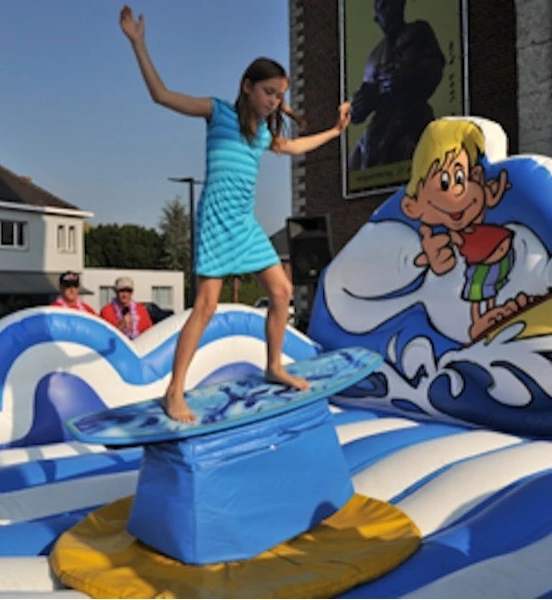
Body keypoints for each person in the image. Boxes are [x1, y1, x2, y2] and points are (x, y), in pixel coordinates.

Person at [119, 5, 351, 422]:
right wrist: (138, 44)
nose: (274, 102)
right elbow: (162, 95)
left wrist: (335, 132)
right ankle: (174, 391)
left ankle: (274, 365)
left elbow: (295, 147)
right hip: (215, 220)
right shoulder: (218, 112)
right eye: (268, 92)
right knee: (205, 307)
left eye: (279, 96)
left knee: (281, 291)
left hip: (244, 223)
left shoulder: (264, 135)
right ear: (247, 87)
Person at [400, 119, 531, 341]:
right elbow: (431, 259)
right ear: (412, 206)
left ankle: (491, 312)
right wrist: (429, 257)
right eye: (445, 182)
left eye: (461, 177)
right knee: (476, 291)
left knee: (490, 288)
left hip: (499, 258)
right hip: (479, 262)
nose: (460, 192)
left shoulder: (486, 202)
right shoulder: (446, 234)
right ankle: (479, 320)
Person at [347, 0, 445, 171]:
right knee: (357, 164)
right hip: (380, 129)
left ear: (401, 5)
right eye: (382, 8)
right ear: (377, 19)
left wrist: (408, 78)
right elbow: (363, 101)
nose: (388, 11)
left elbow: (434, 68)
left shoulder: (419, 32)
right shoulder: (375, 56)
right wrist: (359, 105)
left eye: (390, 4)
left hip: (413, 116)